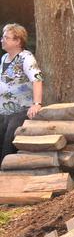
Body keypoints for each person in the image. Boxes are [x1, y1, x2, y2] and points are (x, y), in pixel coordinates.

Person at [0, 23, 43, 164]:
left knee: (8, 142)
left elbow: (37, 79)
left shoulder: (26, 57)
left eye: (6, 37)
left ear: (17, 41)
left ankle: (8, 175)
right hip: (3, 111)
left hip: (20, 110)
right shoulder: (4, 58)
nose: (2, 40)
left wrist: (37, 104)